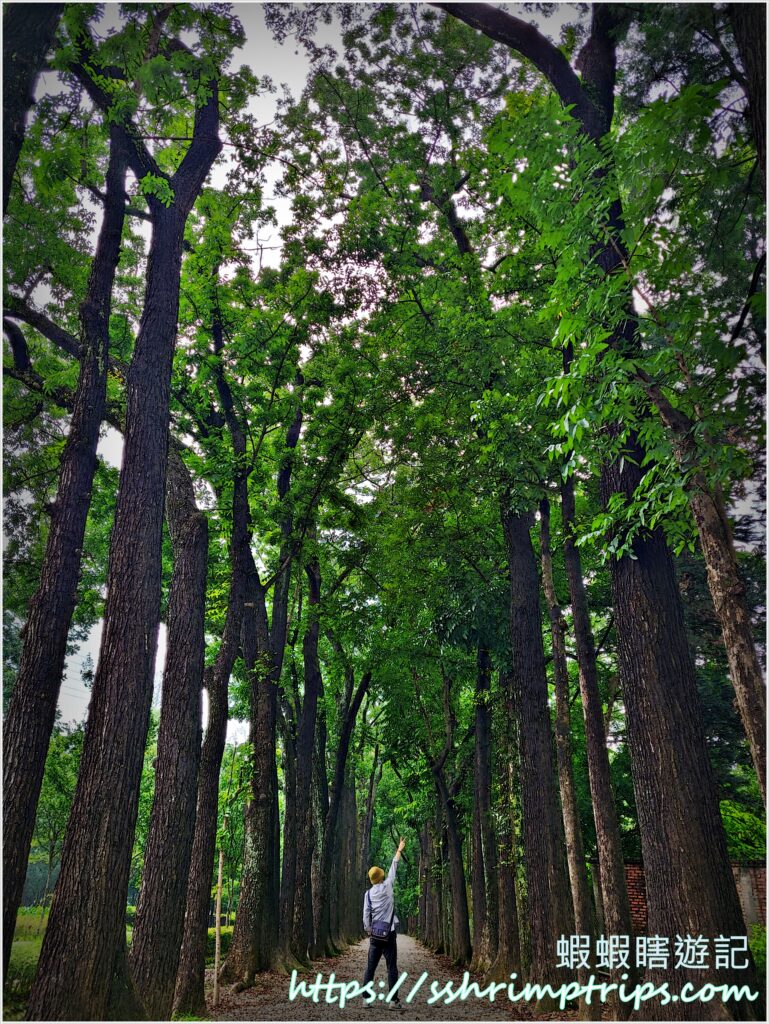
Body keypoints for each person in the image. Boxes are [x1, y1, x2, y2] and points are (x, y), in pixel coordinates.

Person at [363, 837, 405, 1010]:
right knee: (391, 968)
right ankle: (393, 1001)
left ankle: (366, 999)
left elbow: (366, 915)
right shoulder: (388, 886)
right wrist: (399, 849)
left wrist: (369, 930)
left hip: (375, 936)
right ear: (381, 877)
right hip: (389, 933)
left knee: (370, 968)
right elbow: (394, 866)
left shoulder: (368, 894)